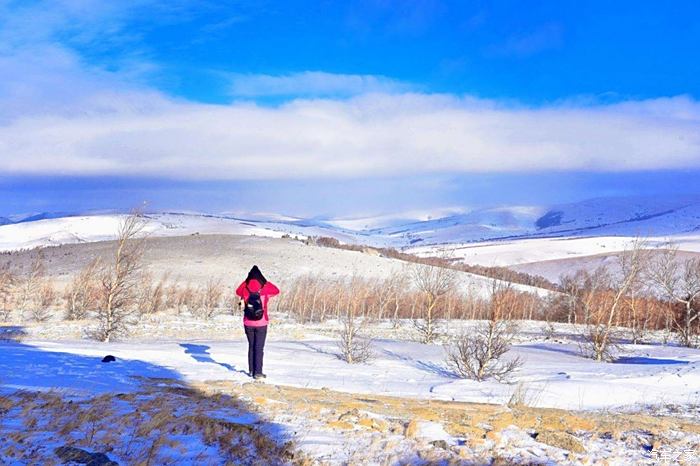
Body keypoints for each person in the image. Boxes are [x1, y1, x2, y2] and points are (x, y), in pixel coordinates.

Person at [235, 265, 279, 379]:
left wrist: (246, 282)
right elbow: (276, 290)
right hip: (262, 322)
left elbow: (237, 291)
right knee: (259, 347)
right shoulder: (265, 288)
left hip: (248, 322)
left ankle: (251, 370)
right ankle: (258, 372)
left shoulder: (245, 289)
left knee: (251, 346)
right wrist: (265, 282)